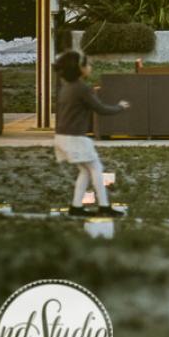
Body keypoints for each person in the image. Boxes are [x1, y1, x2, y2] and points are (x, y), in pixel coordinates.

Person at [53, 50, 129, 218]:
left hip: (62, 137)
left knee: (85, 171)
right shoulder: (82, 88)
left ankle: (76, 207)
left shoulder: (66, 87)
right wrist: (120, 107)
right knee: (96, 168)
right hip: (75, 138)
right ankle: (104, 206)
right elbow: (100, 108)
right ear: (80, 69)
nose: (90, 66)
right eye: (87, 64)